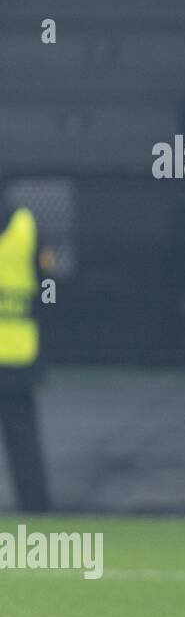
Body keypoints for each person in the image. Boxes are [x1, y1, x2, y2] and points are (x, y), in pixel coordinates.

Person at [0, 194, 52, 512]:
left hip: (19, 358)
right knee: (24, 445)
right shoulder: (26, 226)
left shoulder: (26, 226)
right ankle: (37, 513)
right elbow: (50, 290)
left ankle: (37, 509)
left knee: (25, 445)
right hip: (21, 356)